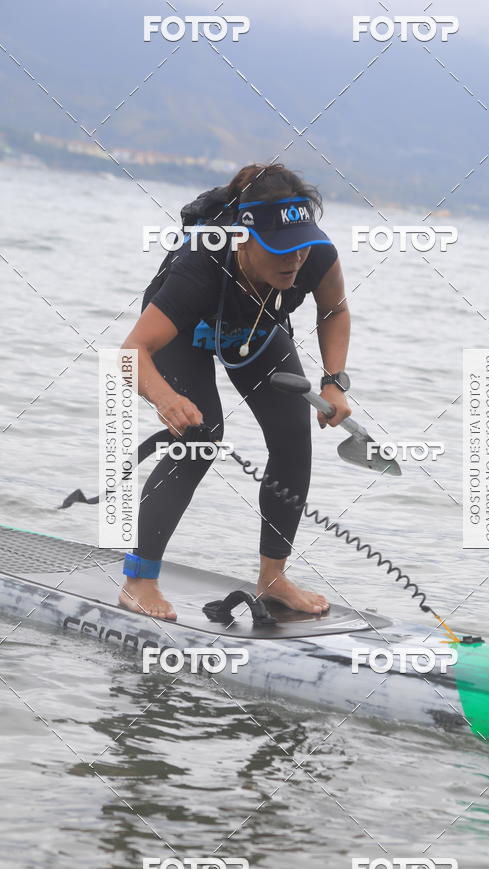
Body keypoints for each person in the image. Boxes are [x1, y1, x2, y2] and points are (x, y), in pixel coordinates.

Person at [119, 163, 351, 621]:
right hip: (183, 332)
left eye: (301, 246)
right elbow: (131, 354)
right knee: (201, 440)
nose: (294, 259)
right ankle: (138, 581)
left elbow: (334, 311)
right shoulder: (201, 266)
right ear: (242, 239)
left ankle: (273, 578)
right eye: (280, 248)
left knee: (293, 437)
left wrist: (334, 380)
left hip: (255, 329)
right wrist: (166, 399)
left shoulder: (317, 255)